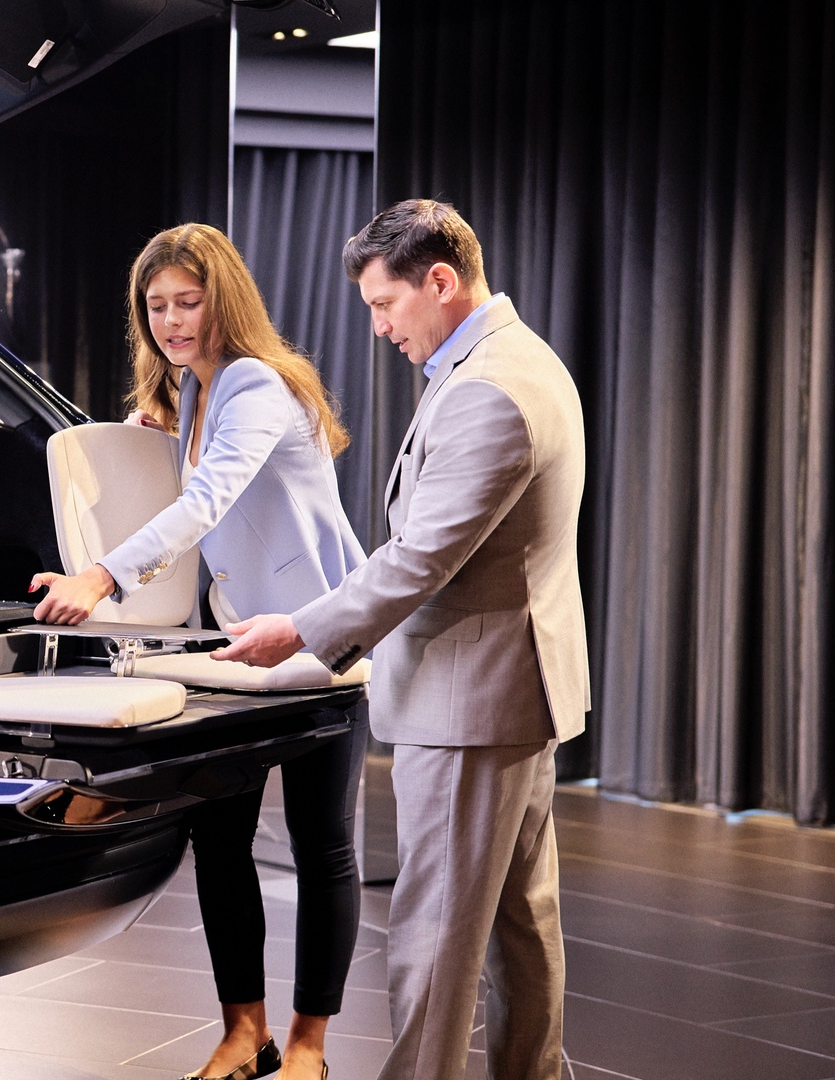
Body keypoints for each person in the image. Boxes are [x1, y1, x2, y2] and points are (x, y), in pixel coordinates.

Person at [216, 200, 588, 1080]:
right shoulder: (521, 360)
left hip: (471, 702)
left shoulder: (490, 389)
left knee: (434, 941)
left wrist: (302, 629)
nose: (380, 328)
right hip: (512, 691)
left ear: (441, 282)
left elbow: (423, 558)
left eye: (386, 307)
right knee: (519, 929)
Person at [31, 223, 367, 1080]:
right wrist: (158, 429)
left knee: (319, 840)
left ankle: (308, 1046)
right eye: (158, 307)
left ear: (225, 303)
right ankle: (241, 1030)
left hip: (319, 639)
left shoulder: (253, 382)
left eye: (189, 302)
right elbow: (195, 477)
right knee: (220, 838)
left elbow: (211, 499)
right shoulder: (196, 390)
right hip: (235, 644)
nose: (174, 321)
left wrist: (103, 576)